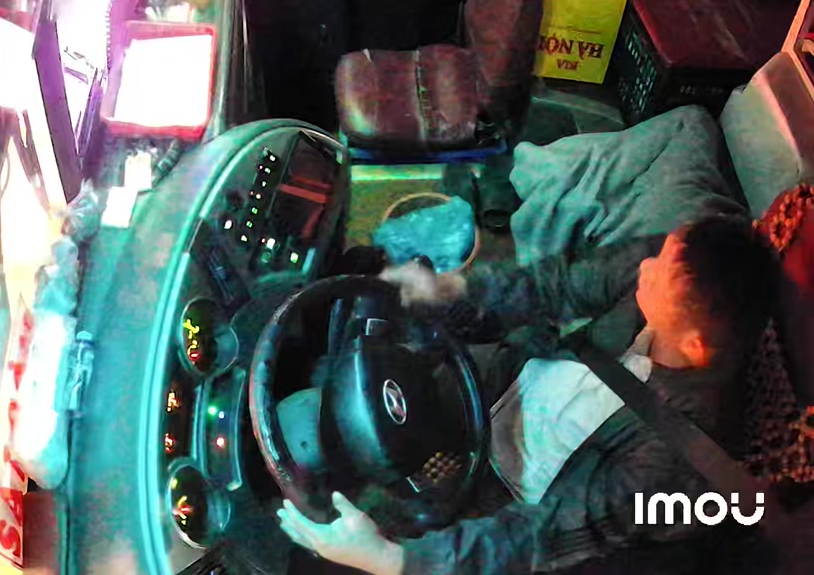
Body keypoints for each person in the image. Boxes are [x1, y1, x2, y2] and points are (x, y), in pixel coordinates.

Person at [277, 215, 781, 575]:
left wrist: (394, 561)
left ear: (693, 347)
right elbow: (553, 286)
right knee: (350, 375)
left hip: (517, 501)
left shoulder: (675, 463)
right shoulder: (671, 265)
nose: (644, 266)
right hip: (505, 384)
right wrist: (450, 291)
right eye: (660, 254)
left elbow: (551, 532)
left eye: (658, 274)